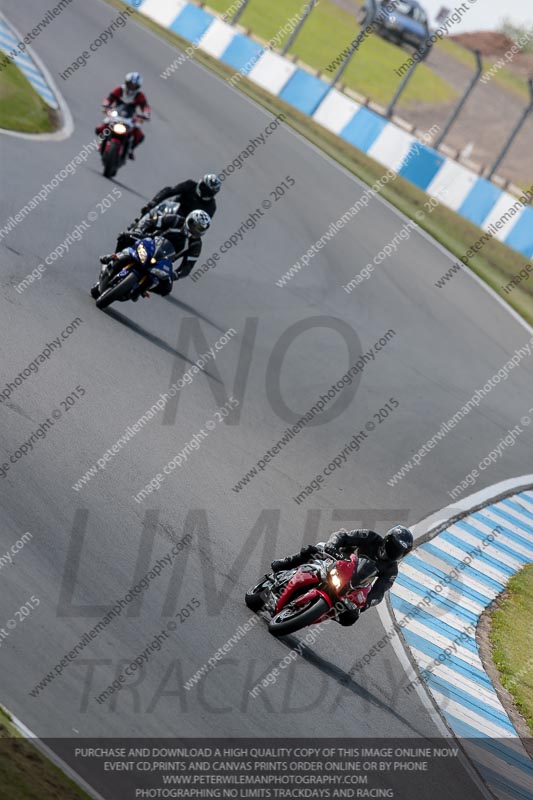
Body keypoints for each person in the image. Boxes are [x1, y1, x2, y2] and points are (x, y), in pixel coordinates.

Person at [271, 525, 413, 626]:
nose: (394, 553)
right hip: (336, 560)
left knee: (351, 618)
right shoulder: (370, 537)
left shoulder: (391, 570)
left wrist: (365, 604)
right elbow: (343, 536)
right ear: (387, 540)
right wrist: (332, 545)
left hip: (352, 584)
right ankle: (286, 562)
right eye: (393, 547)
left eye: (398, 552)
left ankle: (314, 614)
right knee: (310, 550)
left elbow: (379, 592)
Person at [95, 210, 211, 301]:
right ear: (188, 219)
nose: (195, 229)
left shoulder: (196, 244)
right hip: (149, 243)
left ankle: (141, 289)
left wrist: (176, 274)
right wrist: (141, 230)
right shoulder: (176, 220)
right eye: (194, 225)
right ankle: (113, 257)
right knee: (125, 237)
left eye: (199, 228)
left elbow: (188, 266)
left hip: (162, 261)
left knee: (166, 289)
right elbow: (151, 222)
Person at [95, 72, 151, 159]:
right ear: (126, 82)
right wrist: (106, 105)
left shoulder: (140, 95)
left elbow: (145, 107)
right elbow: (109, 98)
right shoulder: (120, 90)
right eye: (130, 84)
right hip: (116, 113)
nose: (131, 87)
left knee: (139, 135)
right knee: (101, 128)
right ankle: (101, 142)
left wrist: (146, 114)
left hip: (130, 117)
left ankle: (130, 149)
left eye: (134, 86)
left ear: (138, 87)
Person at [140, 174, 221, 219]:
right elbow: (169, 191)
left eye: (208, 191)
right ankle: (137, 225)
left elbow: (203, 223)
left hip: (184, 225)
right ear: (201, 182)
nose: (204, 191)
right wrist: (154, 202)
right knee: (149, 213)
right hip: (170, 211)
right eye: (204, 187)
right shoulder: (190, 185)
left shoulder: (211, 207)